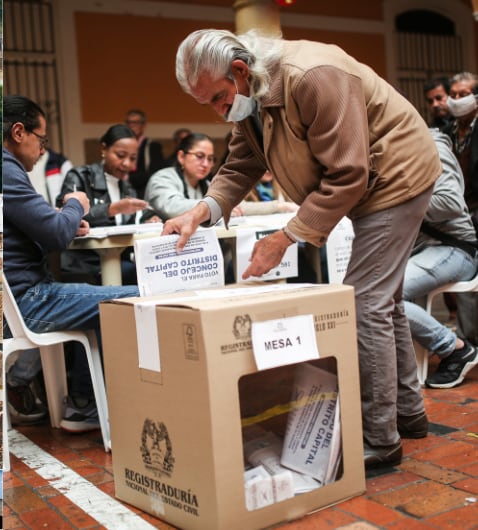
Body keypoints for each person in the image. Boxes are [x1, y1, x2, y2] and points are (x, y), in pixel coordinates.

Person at [163, 29, 441, 469]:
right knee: (383, 301)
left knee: (364, 302)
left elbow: (349, 173)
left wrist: (286, 237)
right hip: (366, 187)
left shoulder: (312, 77)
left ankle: (380, 438)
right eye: (209, 105)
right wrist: (201, 211)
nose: (219, 112)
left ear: (239, 70)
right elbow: (242, 163)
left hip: (396, 176)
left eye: (218, 98)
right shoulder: (249, 95)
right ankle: (408, 414)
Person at [4, 95, 141, 433]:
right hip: (29, 300)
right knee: (135, 297)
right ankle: (93, 404)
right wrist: (75, 205)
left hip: (26, 294)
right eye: (42, 140)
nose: (43, 149)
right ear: (19, 132)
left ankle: (84, 402)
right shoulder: (8, 170)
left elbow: (38, 231)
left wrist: (65, 218)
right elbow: (55, 235)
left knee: (111, 294)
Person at [403, 128, 478, 390]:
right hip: (421, 252)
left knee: (381, 295)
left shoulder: (429, 143)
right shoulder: (384, 150)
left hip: (455, 249)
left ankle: (455, 348)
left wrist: (392, 199)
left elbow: (450, 202)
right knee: (364, 290)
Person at [56, 124, 149, 285]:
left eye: (133, 158)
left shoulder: (127, 187)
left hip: (118, 259)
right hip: (83, 262)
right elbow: (65, 217)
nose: (127, 163)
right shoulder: (80, 176)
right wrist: (113, 209)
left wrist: (148, 219)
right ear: (104, 149)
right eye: (120, 155)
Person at [443, 72, 478, 348]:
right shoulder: (446, 131)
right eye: (453, 95)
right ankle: (469, 339)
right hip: (457, 214)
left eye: (463, 94)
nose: (456, 100)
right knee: (467, 277)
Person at [145, 132, 217, 221]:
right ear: (181, 157)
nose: (206, 164)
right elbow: (172, 208)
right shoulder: (162, 178)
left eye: (210, 159)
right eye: (199, 156)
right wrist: (215, 206)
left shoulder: (208, 185)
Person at [125, 109, 165, 199]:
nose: (132, 126)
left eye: (135, 123)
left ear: (143, 125)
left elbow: (155, 173)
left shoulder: (152, 146)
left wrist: (127, 178)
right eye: (129, 123)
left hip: (145, 193)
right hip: (125, 192)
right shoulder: (122, 146)